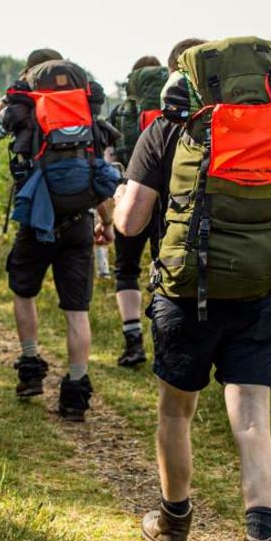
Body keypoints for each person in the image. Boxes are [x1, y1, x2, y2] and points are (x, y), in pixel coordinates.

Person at [114, 37, 271, 541]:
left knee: (177, 409)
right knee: (251, 422)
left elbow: (130, 222)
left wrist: (124, 192)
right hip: (258, 289)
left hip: (187, 292)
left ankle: (173, 524)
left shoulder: (167, 128)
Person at [0, 50, 121, 421]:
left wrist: (4, 100)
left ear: (29, 75)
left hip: (38, 222)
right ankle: (75, 391)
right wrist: (106, 221)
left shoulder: (21, 109)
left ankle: (30, 365)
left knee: (24, 291)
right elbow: (95, 170)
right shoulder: (85, 110)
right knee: (77, 310)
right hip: (79, 220)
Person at [105, 53, 175, 368]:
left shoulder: (120, 113)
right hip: (170, 205)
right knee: (167, 270)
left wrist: (104, 212)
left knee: (127, 270)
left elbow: (108, 162)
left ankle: (133, 342)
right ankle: (167, 341)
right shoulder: (175, 110)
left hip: (128, 199)